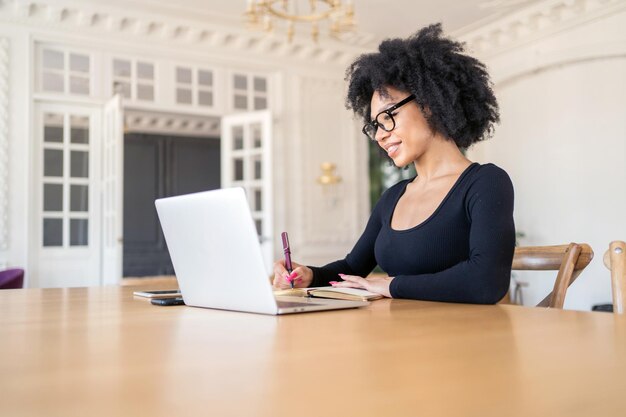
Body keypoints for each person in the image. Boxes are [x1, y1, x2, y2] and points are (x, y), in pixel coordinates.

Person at [273, 24, 515, 304]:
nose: (379, 134)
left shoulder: (485, 182)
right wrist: (309, 275)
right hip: (398, 338)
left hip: (461, 341)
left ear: (429, 103)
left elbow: (486, 282)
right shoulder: (393, 197)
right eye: (374, 125)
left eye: (388, 116)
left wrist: (390, 285)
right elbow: (353, 269)